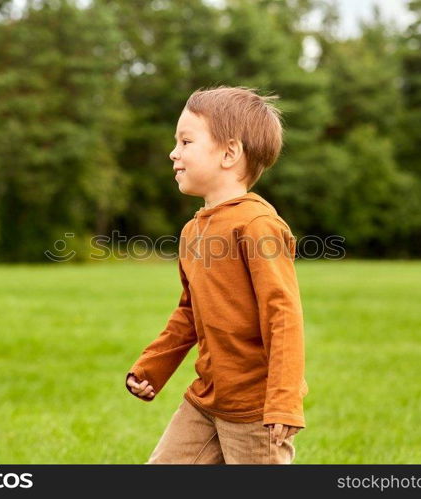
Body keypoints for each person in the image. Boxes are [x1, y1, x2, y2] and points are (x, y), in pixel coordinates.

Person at [126, 85, 308, 464]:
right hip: (206, 400)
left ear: (229, 153)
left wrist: (284, 400)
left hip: (257, 412)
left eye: (186, 141)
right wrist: (152, 366)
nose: (173, 152)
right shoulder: (194, 231)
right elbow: (190, 312)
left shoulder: (257, 225)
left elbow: (283, 316)